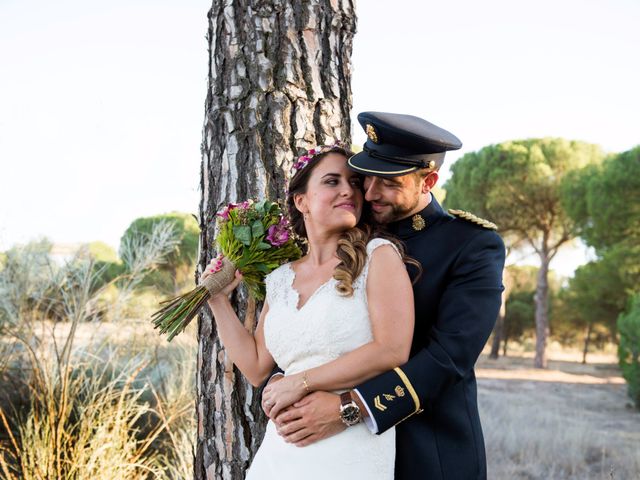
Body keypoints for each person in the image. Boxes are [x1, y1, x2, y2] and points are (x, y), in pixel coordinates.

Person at [268, 112, 506, 480]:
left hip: (427, 448)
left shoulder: (470, 245)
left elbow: (449, 357)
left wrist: (349, 408)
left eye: (389, 183)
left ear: (428, 181)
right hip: (331, 453)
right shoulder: (346, 233)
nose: (370, 193)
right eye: (367, 177)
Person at [201, 143, 418, 479]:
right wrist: (216, 300)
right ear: (301, 201)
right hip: (281, 450)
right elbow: (257, 367)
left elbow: (392, 350)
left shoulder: (379, 256)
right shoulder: (280, 279)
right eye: (332, 181)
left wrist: (298, 383)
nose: (348, 190)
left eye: (354, 183)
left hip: (348, 444)